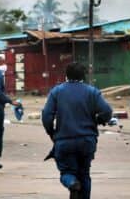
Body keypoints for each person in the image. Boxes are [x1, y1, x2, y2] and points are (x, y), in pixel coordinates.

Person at [42, 62, 113, 199]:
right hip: (87, 140)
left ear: (66, 76)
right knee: (84, 174)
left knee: (67, 173)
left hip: (64, 141)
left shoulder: (57, 91)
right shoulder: (92, 92)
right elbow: (107, 111)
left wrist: (51, 132)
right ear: (83, 76)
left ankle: (72, 183)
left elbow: (46, 115)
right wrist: (98, 121)